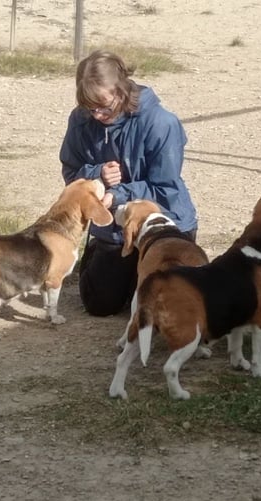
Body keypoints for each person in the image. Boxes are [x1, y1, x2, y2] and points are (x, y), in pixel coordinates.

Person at [59, 50, 198, 317]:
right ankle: (105, 258)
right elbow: (71, 173)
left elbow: (164, 188)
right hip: (113, 225)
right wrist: (96, 173)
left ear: (122, 91)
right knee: (100, 305)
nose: (97, 115)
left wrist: (119, 193)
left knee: (159, 309)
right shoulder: (81, 120)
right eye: (89, 107)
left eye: (104, 106)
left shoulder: (161, 123)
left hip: (164, 220)